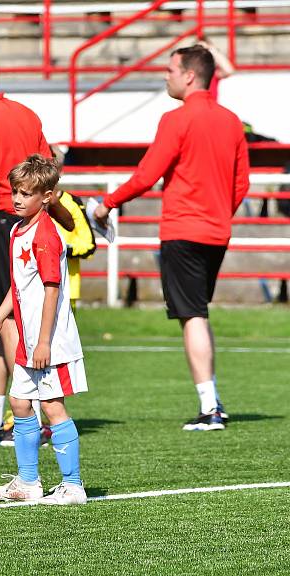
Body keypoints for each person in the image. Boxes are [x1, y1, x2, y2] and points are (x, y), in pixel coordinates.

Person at [94, 45, 250, 431]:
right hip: (215, 230)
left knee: (191, 315)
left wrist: (105, 205)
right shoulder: (232, 121)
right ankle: (213, 400)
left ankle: (210, 408)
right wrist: (217, 214)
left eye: (170, 69)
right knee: (197, 312)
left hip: (183, 230)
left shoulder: (175, 119)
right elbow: (242, 183)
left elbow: (147, 175)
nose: (166, 76)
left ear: (190, 75)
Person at [0, 50, 73, 444]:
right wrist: (60, 213)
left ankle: (23, 413)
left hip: (4, 220)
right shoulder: (25, 113)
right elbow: (50, 164)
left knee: (6, 316)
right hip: (30, 217)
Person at [0, 154, 88, 505]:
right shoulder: (16, 230)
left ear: (46, 196)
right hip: (28, 340)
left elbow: (51, 289)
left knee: (53, 407)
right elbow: (19, 285)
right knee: (19, 401)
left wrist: (43, 342)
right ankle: (28, 482)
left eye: (26, 193)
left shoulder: (45, 234)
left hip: (50, 340)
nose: (17, 198)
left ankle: (73, 486)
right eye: (15, 191)